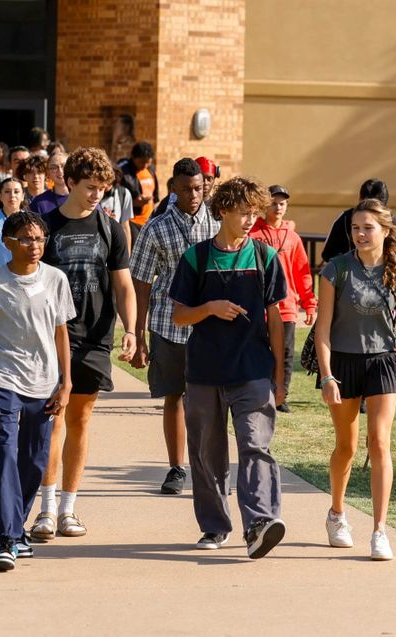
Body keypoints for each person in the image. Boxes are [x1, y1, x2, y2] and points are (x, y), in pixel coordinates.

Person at [168, 176, 288, 559]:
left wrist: (280, 376)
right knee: (207, 453)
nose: (251, 219)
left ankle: (260, 523)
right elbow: (179, 316)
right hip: (204, 372)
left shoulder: (266, 257)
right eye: (243, 212)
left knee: (256, 447)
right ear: (222, 211)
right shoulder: (196, 258)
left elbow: (277, 320)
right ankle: (215, 526)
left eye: (255, 212)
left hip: (253, 371)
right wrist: (210, 308)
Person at [28, 147, 136, 542]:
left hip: (94, 337)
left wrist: (131, 329)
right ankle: (45, 509)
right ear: (69, 182)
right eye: (90, 187)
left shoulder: (109, 228)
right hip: (50, 336)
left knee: (80, 419)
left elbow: (122, 283)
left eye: (103, 189)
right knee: (52, 420)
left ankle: (69, 509)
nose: (96, 195)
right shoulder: (45, 226)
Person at [0, 210, 75, 572]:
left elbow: (61, 333)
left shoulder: (56, 279)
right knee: (5, 454)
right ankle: (7, 539)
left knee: (35, 461)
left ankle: (19, 530)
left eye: (40, 238)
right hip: (4, 381)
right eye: (26, 239)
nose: (34, 245)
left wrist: (66, 382)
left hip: (44, 384)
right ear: (7, 242)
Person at [315, 199, 396, 560]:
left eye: (367, 227)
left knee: (379, 442)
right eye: (355, 227)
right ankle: (337, 514)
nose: (359, 233)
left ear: (385, 231)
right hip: (343, 364)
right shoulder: (335, 270)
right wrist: (327, 376)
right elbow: (322, 330)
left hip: (384, 363)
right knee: (347, 446)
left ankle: (379, 530)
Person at [131, 158, 219, 494]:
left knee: (211, 400)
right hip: (169, 327)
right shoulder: (156, 228)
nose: (194, 194)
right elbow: (140, 281)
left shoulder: (216, 223)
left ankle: (210, 466)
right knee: (174, 397)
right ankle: (176, 468)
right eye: (187, 189)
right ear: (173, 189)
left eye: (199, 187)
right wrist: (137, 334)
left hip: (210, 328)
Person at [249, 184, 317, 412]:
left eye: (282, 203)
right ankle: (259, 392)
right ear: (264, 205)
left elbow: (303, 272)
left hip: (286, 306)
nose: (278, 207)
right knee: (260, 350)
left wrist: (309, 304)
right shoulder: (253, 235)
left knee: (286, 354)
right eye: (273, 202)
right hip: (258, 306)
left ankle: (281, 395)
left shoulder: (293, 238)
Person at [321, 178, 396, 263]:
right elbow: (328, 253)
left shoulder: (391, 222)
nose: (361, 233)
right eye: (355, 227)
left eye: (369, 227)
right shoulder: (344, 218)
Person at [120, 141, 159, 237]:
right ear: (133, 158)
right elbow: (118, 201)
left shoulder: (151, 170)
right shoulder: (124, 173)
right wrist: (133, 203)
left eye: (148, 162)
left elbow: (155, 196)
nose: (145, 165)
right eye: (142, 162)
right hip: (132, 222)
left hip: (149, 221)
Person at [98, 164, 134, 249]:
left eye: (108, 182)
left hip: (116, 243)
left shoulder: (124, 194)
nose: (105, 185)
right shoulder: (93, 195)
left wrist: (127, 254)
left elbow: (125, 226)